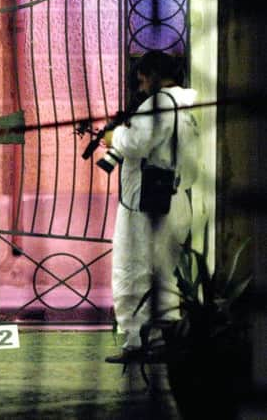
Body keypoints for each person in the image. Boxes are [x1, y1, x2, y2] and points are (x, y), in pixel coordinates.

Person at [102, 50, 199, 363]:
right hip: (176, 198)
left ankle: (137, 341)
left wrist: (114, 137)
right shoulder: (187, 105)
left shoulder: (158, 104)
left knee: (134, 270)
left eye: (143, 74)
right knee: (164, 273)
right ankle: (162, 340)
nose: (140, 81)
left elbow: (137, 143)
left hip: (146, 203)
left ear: (156, 74)